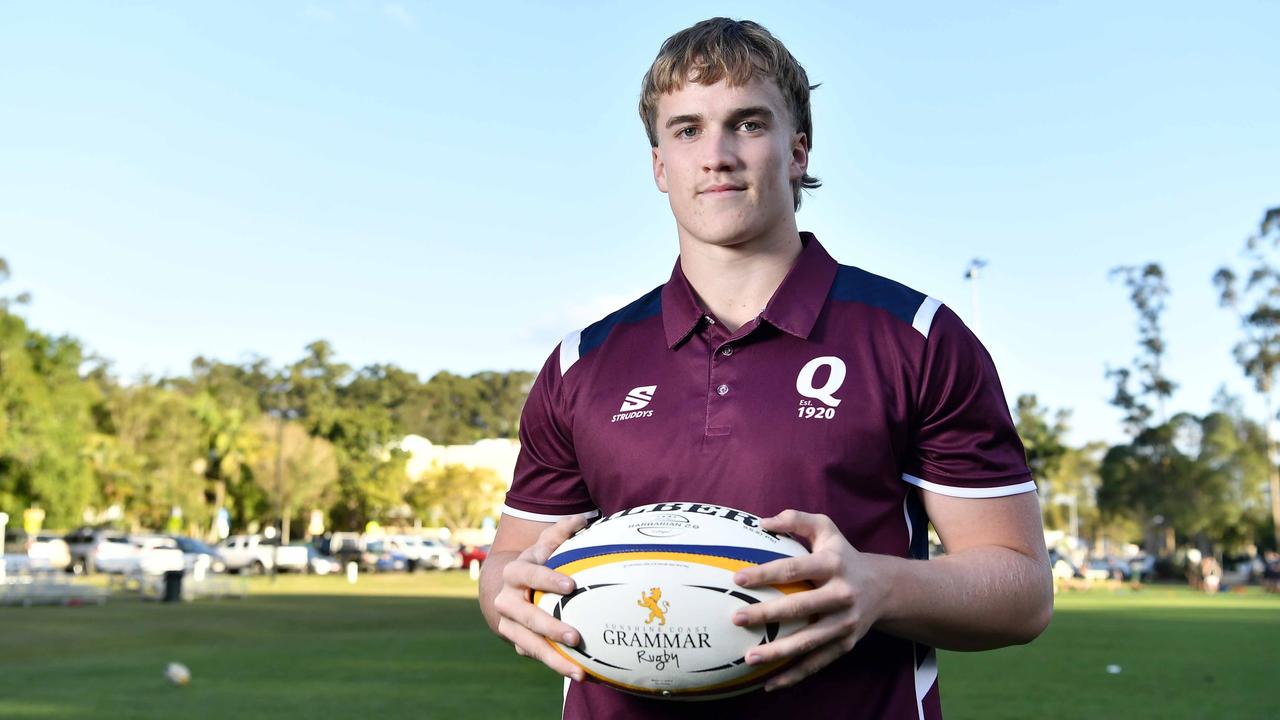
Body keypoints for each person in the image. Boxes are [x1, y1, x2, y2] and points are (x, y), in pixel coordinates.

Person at [478, 17, 1053, 719]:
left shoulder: (916, 338)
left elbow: (1022, 590)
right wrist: (512, 594)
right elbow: (506, 567)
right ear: (659, 166)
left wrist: (877, 586)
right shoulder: (581, 364)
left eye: (747, 124)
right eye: (686, 130)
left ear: (798, 151)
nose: (715, 155)